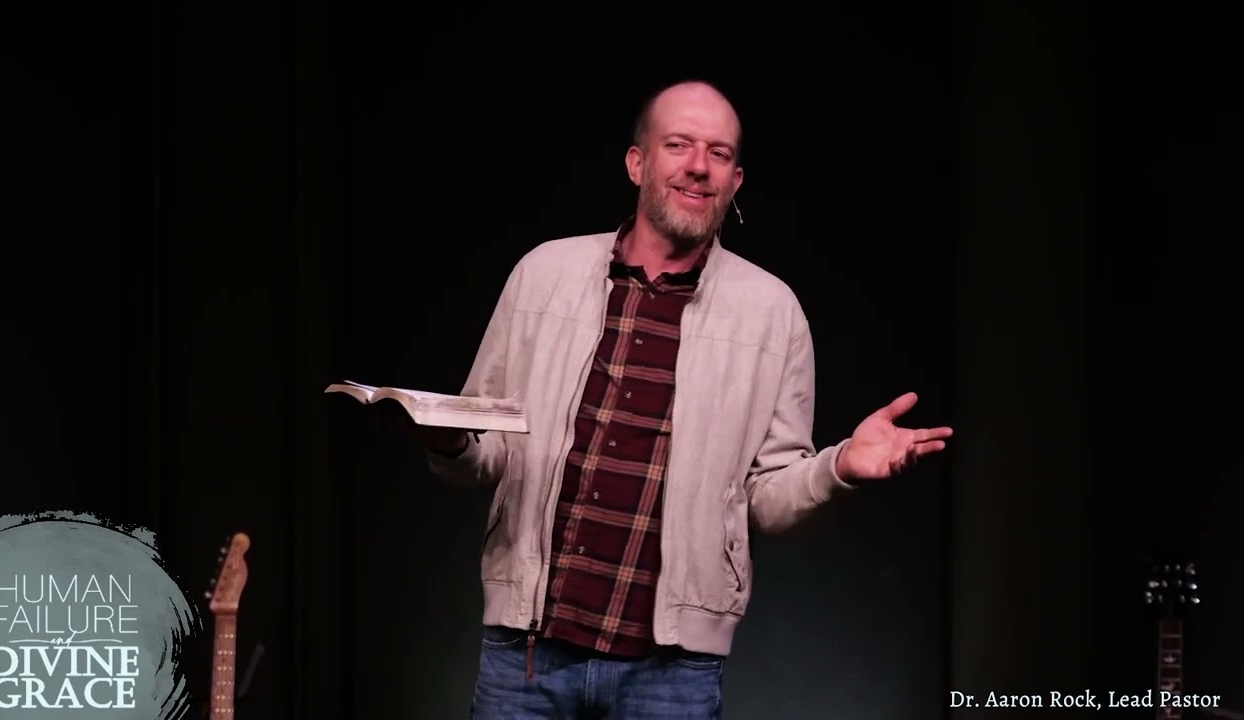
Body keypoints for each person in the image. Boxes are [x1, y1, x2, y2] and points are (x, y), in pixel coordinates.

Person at [402, 79, 953, 719]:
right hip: (523, 656)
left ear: (735, 180)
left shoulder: (772, 313)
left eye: (718, 153)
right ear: (637, 163)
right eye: (679, 145)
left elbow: (767, 499)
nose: (698, 165)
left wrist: (839, 469)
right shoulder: (542, 276)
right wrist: (449, 441)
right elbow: (488, 447)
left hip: (672, 676)